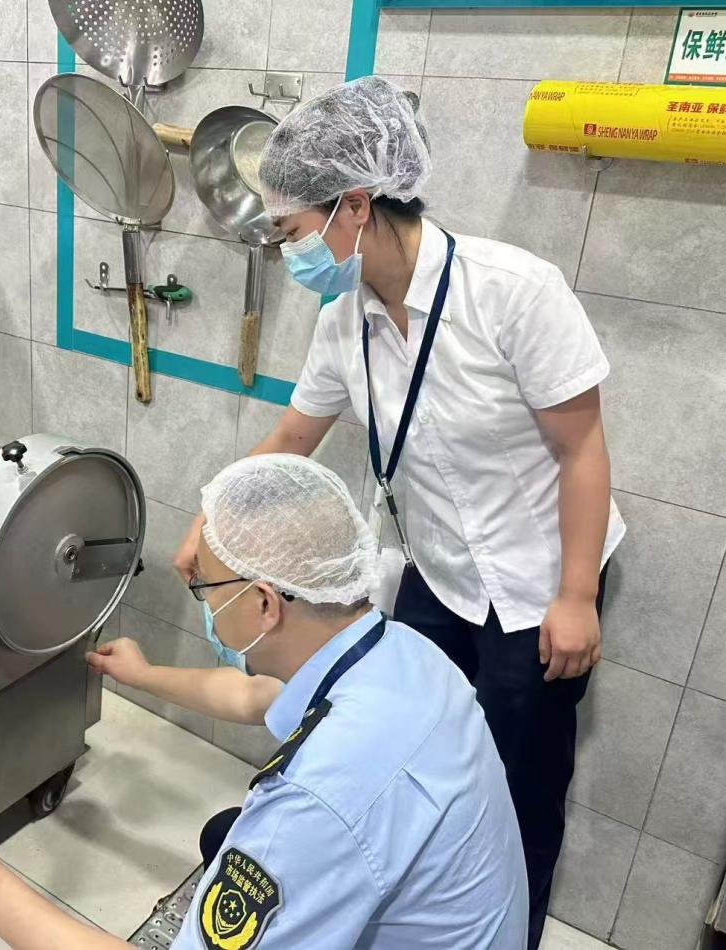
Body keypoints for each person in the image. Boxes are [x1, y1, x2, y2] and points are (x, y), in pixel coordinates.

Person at [172, 75, 625, 948]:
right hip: (438, 569)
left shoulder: (512, 291)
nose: (289, 253)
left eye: (292, 231)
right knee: (389, 731)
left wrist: (576, 595)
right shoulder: (344, 321)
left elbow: (582, 449)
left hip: (537, 579)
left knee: (520, 787)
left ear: (354, 207)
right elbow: (293, 436)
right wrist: (212, 517)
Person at [0, 454, 528, 949]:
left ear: (265, 603)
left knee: (242, 854)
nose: (207, 606)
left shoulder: (314, 805)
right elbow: (254, 696)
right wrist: (144, 675)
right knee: (226, 837)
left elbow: (315, 809)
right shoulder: (401, 655)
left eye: (209, 589)